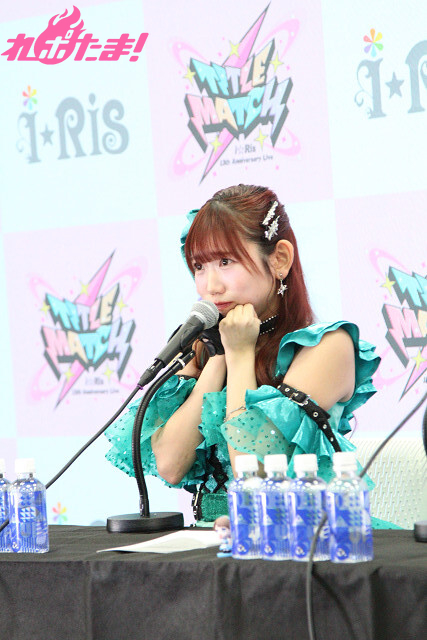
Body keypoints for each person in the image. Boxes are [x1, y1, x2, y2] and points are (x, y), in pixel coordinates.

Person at [105, 184, 382, 525]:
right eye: (199, 266)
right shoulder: (203, 345)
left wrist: (239, 356)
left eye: (226, 261)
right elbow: (171, 465)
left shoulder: (326, 346)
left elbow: (256, 477)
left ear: (279, 259)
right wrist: (219, 355)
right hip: (209, 540)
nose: (211, 286)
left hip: (298, 539)